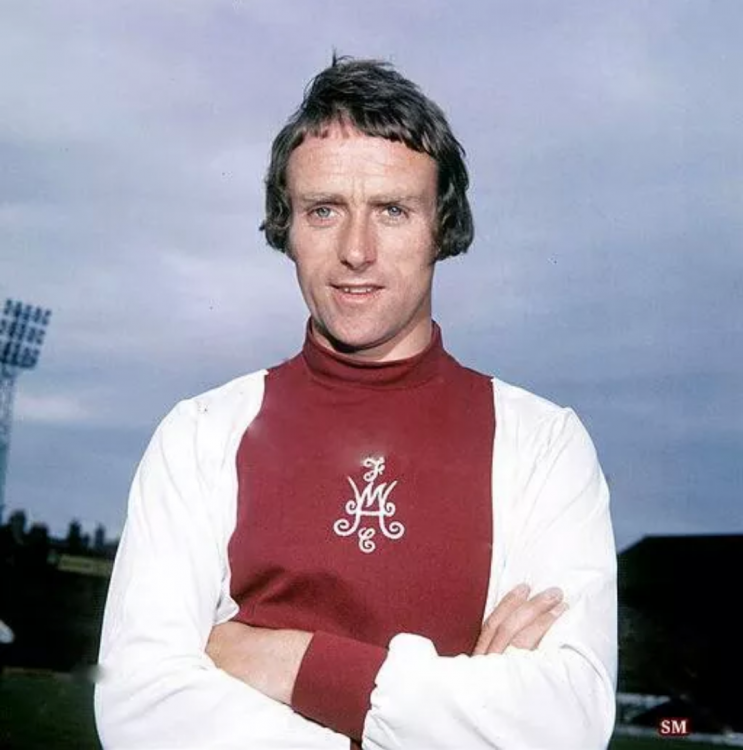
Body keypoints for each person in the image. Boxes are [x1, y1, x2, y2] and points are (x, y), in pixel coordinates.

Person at [95, 56, 617, 749]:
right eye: (323, 210)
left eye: (393, 211)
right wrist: (444, 714)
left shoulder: (542, 443)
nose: (356, 251)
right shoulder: (201, 434)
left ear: (442, 227)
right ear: (286, 226)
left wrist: (291, 662)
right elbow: (139, 707)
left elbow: (566, 724)